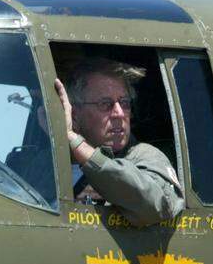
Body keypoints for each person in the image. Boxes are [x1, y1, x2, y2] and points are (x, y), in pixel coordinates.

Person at [54, 57, 185, 226]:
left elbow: (158, 204)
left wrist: (74, 141)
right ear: (75, 114)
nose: (119, 113)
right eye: (105, 104)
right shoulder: (45, 165)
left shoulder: (144, 156)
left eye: (124, 103)